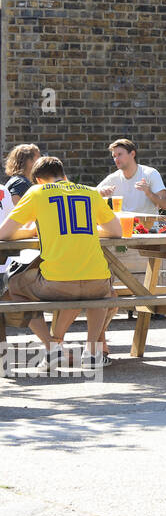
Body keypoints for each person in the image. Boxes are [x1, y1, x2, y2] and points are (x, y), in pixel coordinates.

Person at [0, 155, 121, 371]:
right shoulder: (89, 192)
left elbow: (5, 234)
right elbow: (116, 231)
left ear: (38, 180)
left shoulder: (36, 193)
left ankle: (52, 348)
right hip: (98, 282)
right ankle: (92, 353)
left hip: (57, 283)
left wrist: (33, 230)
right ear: (64, 175)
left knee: (14, 287)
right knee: (105, 293)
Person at [96, 138, 166, 215]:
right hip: (123, 225)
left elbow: (164, 205)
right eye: (114, 156)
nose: (116, 159)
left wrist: (148, 192)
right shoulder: (113, 178)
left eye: (119, 154)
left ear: (132, 154)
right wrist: (101, 192)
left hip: (148, 225)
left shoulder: (150, 173)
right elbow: (91, 195)